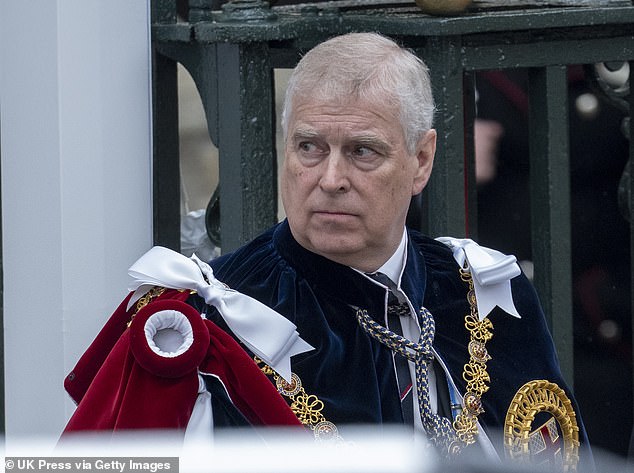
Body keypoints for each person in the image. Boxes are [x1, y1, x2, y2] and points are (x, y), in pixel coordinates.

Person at [63, 32, 590, 469]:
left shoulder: (482, 288)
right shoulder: (204, 329)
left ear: (422, 161)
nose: (330, 179)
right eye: (309, 147)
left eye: (362, 151)